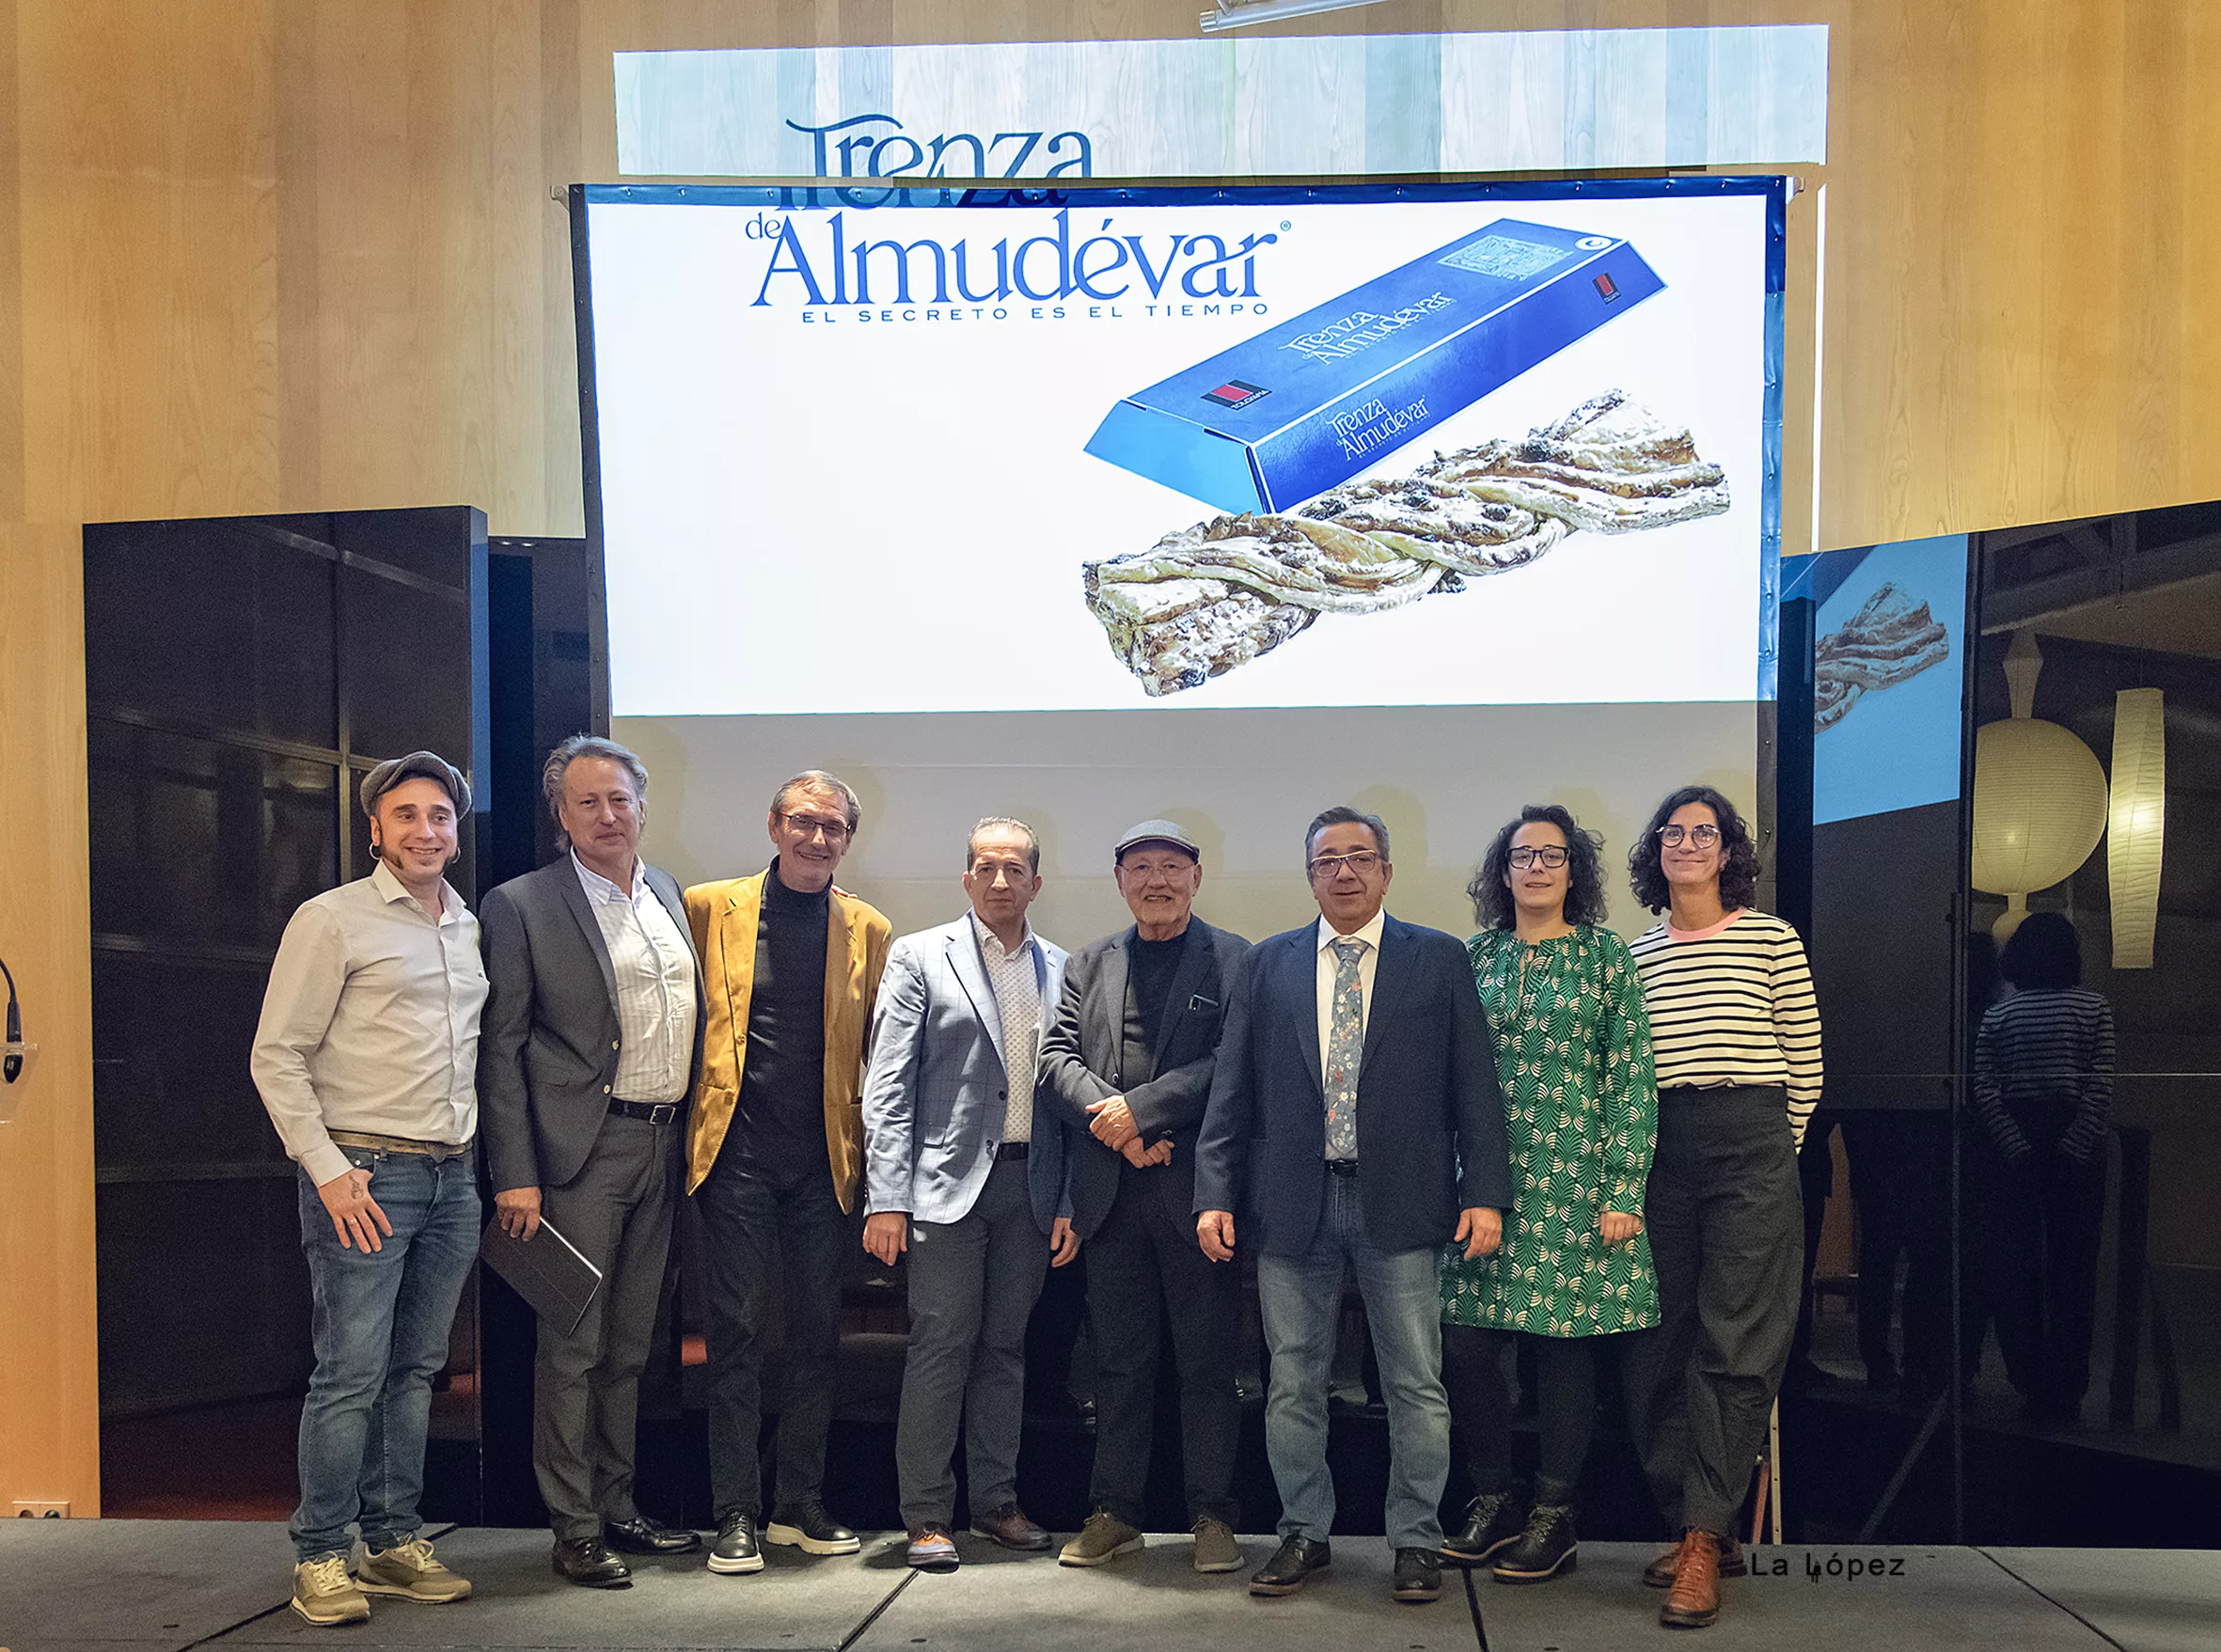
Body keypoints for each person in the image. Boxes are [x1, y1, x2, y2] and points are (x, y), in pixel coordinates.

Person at [1194, 806, 1511, 1606]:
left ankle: (1415, 1538)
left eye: (1359, 857)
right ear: (1309, 876)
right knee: (1292, 1381)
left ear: (1387, 871)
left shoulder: (1437, 959)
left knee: (1415, 1382)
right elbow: (1232, 1093)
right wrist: (1213, 1193)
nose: (1344, 871)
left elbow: (1474, 1088)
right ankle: (1305, 1530)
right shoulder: (1267, 965)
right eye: (1327, 859)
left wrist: (1488, 1196)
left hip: (1402, 1203)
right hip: (1291, 1204)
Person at [250, 752, 485, 1627]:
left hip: (450, 1175)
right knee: (349, 1371)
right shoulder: (332, 919)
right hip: (366, 1173)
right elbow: (276, 1054)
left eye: (440, 816)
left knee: (416, 1371)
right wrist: (329, 1170)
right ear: (377, 829)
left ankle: (391, 1540)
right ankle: (321, 1552)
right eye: (408, 815)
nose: (427, 830)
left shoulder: (464, 924)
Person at [478, 735, 705, 1586]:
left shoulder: (669, 894)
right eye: (587, 803)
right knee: (572, 1344)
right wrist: (514, 1170)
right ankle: (573, 1524)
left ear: (642, 805)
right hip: (576, 1153)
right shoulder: (521, 904)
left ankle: (617, 1505)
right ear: (560, 816)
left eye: (619, 799)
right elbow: (499, 1051)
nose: (607, 816)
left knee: (634, 1344)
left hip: (662, 1141)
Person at [1439, 805, 1659, 1585]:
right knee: (1467, 1344)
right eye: (1522, 854)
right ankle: (1492, 1498)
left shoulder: (1606, 957)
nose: (1536, 866)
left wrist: (1624, 1187)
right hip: (1484, 1187)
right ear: (1503, 871)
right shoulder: (1474, 957)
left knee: (1564, 1350)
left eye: (1553, 855)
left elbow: (1631, 1075)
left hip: (1578, 1182)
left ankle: (1553, 1513)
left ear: (1575, 871)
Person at [1621, 784, 1821, 1630]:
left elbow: (1805, 1063)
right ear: (1656, 851)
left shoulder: (1772, 937)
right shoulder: (1632, 955)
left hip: (1752, 1139)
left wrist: (1774, 1153)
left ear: (1729, 849)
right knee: (1658, 1342)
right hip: (1662, 1146)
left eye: (1705, 832)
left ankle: (1704, 1537)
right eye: (1674, 831)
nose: (1689, 843)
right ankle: (1700, 1509)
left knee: (1737, 1341)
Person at [685, 772, 893, 1575]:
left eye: (833, 827)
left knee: (817, 1338)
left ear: (848, 838)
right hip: (733, 1158)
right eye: (803, 822)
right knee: (734, 1337)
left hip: (825, 1165)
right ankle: (734, 1509)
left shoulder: (866, 925)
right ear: (773, 824)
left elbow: (878, 1049)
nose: (817, 837)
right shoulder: (711, 906)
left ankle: (796, 1503)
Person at [859, 818, 1076, 1570]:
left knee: (1006, 1349)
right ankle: (925, 1513)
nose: (1000, 880)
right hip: (943, 1190)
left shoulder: (1059, 965)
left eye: (1015, 868)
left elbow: (1066, 1094)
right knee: (941, 1346)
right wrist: (885, 1195)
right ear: (966, 878)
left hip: (1031, 1185)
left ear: (1036, 882)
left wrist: (1070, 1199)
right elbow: (887, 1085)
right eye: (986, 866)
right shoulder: (921, 955)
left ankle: (995, 1503)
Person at [1037, 820, 1252, 1577]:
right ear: (1120, 878)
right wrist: (1118, 1126)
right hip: (1112, 1195)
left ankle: (1213, 1512)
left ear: (1196, 876)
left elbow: (1234, 1064)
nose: (1155, 880)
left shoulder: (1234, 959)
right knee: (1119, 1363)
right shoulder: (1090, 961)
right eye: (1140, 867)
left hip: (1201, 1197)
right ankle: (1116, 1510)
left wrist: (1145, 1111)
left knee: (1206, 1364)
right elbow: (1055, 1058)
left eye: (1170, 867)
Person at [1969, 911, 2115, 1425]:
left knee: (2020, 1272)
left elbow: (1984, 1086)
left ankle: (2030, 1379)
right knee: (2075, 1271)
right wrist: (2077, 1143)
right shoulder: (2094, 1007)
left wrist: (2014, 1145)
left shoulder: (2001, 1016)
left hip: (2017, 1148)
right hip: (2078, 1147)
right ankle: (2068, 1386)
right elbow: (2101, 1080)